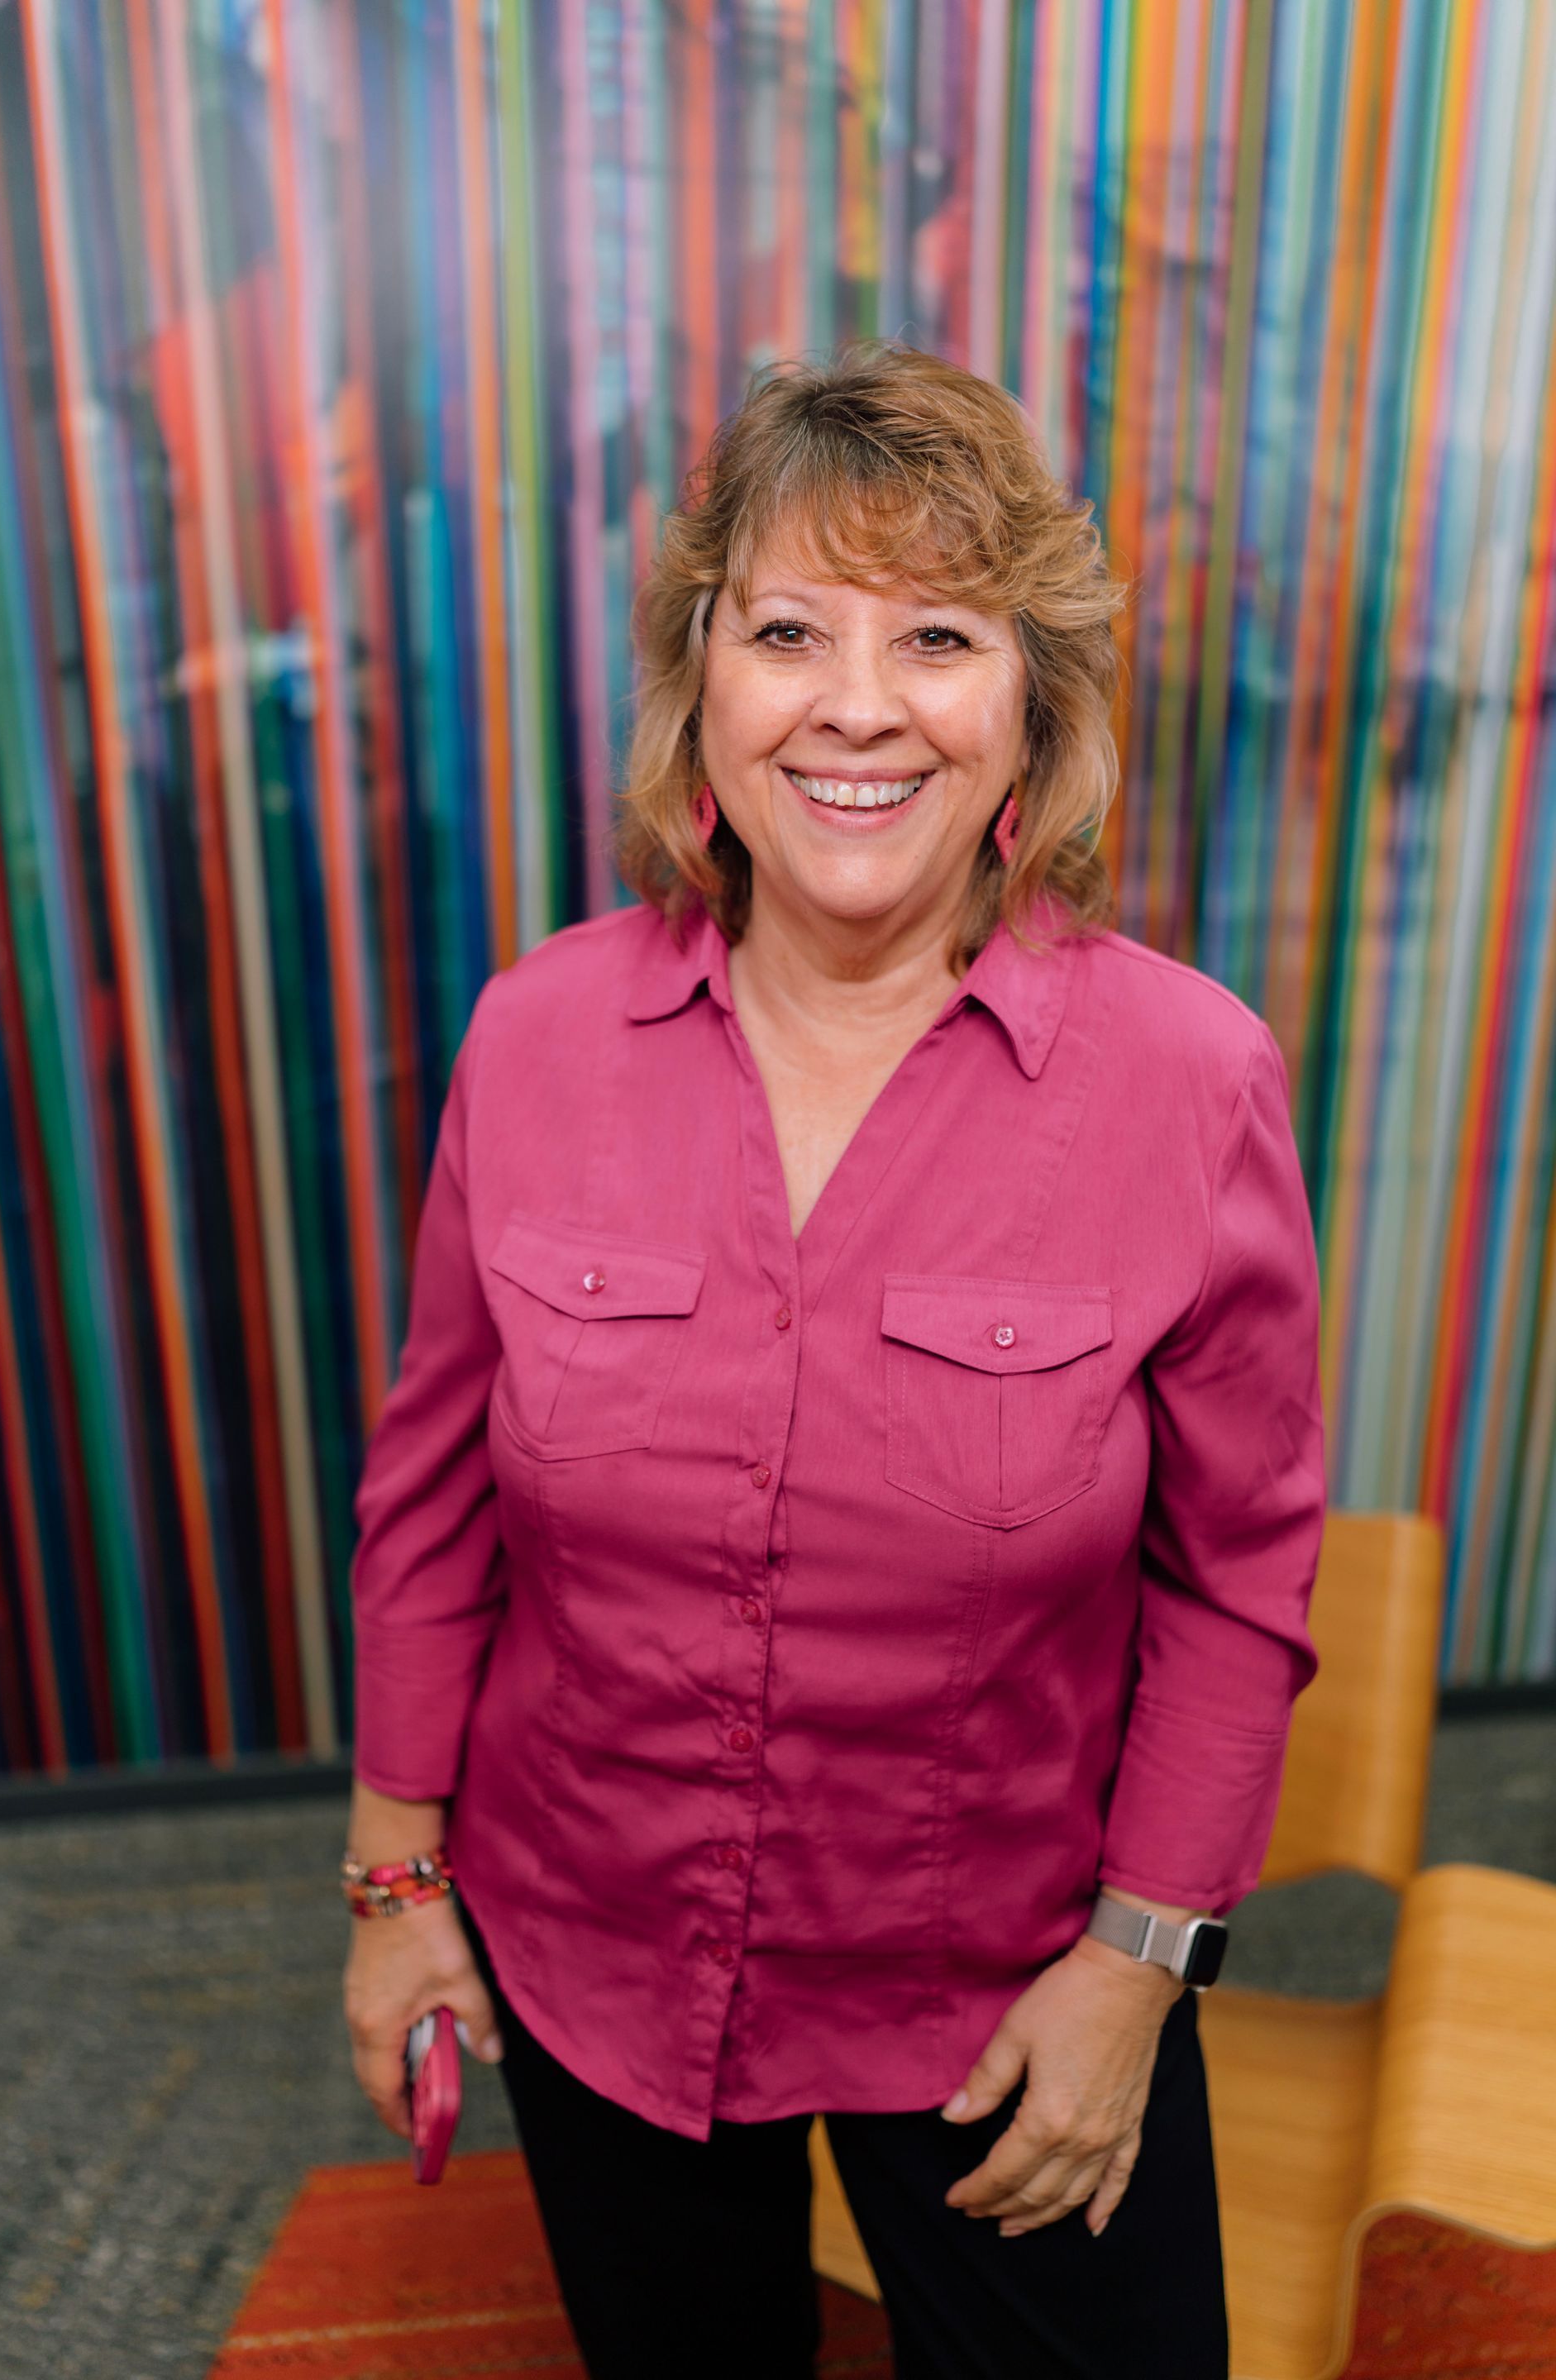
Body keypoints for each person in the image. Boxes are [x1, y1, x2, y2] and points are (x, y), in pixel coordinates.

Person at [340, 340, 1325, 2380]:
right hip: (591, 1952)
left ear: (1028, 711)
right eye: (789, 628)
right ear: (705, 685)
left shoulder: (1190, 1076)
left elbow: (1238, 1580)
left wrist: (1138, 1974)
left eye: (939, 636)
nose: (858, 704)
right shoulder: (533, 1038)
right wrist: (394, 1886)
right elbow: (430, 1499)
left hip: (1001, 1990)